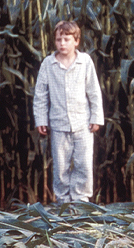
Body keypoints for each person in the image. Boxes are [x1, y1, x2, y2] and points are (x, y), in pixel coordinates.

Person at [33, 21, 104, 203]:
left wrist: (96, 117)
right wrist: (41, 120)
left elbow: (94, 91)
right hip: (58, 124)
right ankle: (63, 203)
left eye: (66, 39)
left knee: (84, 165)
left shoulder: (85, 62)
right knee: (61, 166)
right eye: (58, 40)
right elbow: (41, 94)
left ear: (76, 41)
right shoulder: (48, 64)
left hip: (83, 124)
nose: (62, 43)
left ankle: (81, 203)